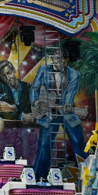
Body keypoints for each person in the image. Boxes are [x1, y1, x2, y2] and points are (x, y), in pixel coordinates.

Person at [31, 47, 87, 178]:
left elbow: (71, 93)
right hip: (48, 113)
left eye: (61, 58)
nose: (59, 61)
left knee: (78, 140)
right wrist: (35, 103)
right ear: (51, 59)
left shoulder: (74, 74)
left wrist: (67, 103)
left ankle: (87, 173)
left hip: (65, 113)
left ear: (65, 60)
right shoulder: (43, 70)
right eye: (56, 58)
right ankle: (39, 176)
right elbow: (34, 88)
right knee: (44, 144)